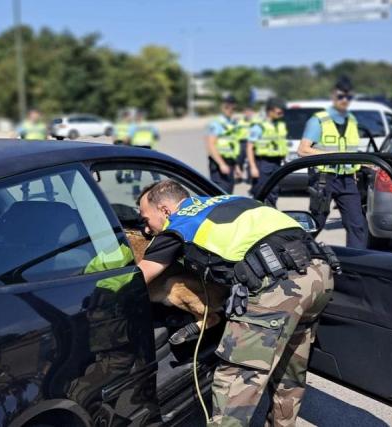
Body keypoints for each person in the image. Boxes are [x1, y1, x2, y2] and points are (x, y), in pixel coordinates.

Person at [136, 179, 337, 426]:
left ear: (165, 210)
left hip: (280, 290)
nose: (146, 230)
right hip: (320, 273)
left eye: (146, 220)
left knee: (235, 383)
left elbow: (139, 278)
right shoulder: (229, 200)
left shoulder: (178, 224)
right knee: (289, 373)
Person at [298, 76, 368, 249]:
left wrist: (359, 168)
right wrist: (332, 154)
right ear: (333, 96)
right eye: (340, 96)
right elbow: (303, 150)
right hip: (324, 179)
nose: (344, 100)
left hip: (347, 180)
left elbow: (350, 150)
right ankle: (301, 254)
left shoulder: (352, 120)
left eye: (348, 97)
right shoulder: (318, 120)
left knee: (357, 224)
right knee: (317, 222)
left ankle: (356, 264)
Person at [247, 98, 288, 205]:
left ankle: (270, 211)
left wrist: (284, 160)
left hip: (277, 163)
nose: (281, 114)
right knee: (261, 192)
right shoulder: (259, 126)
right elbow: (249, 147)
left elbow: (280, 144)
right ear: (270, 111)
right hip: (263, 163)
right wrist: (253, 167)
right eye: (279, 112)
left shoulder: (280, 125)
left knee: (274, 191)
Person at [207, 96, 242, 193]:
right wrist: (221, 164)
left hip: (230, 164)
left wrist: (236, 166)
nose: (230, 110)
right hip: (219, 166)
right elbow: (211, 145)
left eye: (233, 108)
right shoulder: (216, 123)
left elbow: (232, 147)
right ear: (222, 107)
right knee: (220, 195)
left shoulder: (232, 123)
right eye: (227, 107)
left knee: (228, 195)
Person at [235, 105, 257, 183]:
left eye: (249, 112)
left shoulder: (255, 122)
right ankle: (239, 177)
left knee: (250, 161)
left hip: (251, 143)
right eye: (246, 112)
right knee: (239, 160)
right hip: (242, 143)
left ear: (252, 113)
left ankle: (250, 178)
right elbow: (235, 132)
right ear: (244, 113)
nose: (248, 114)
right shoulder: (240, 122)